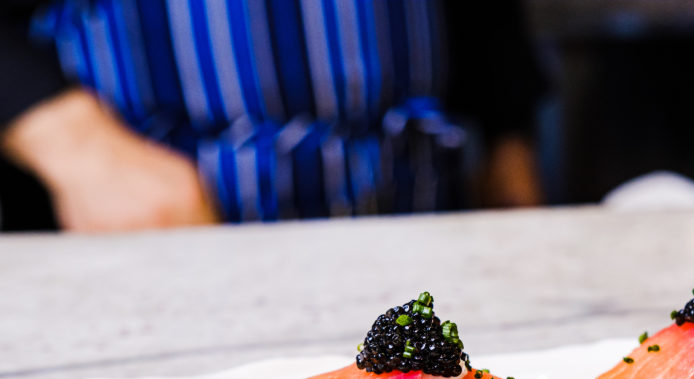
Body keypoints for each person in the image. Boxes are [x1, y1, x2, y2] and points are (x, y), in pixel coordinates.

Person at [0, 1, 545, 233]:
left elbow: (487, 17)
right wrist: (75, 147)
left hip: (415, 212)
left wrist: (508, 137)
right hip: (173, 229)